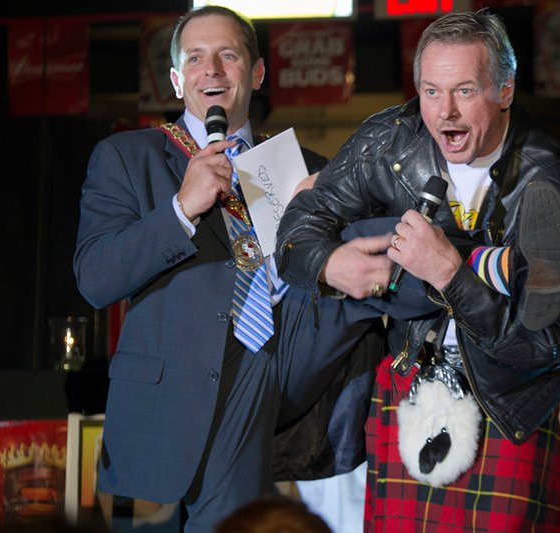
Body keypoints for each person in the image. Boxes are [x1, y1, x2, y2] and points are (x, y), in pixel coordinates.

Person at [275, 10, 560, 532]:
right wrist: (331, 264)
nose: (444, 112)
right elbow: (298, 227)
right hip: (408, 382)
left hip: (505, 403)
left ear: (505, 90)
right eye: (431, 91)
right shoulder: (389, 142)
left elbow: (546, 346)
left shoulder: (552, 185)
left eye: (465, 91)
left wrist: (450, 273)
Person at [74, 6, 383, 532]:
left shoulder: (307, 172)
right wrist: (181, 208)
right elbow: (96, 279)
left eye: (228, 55)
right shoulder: (128, 157)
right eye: (195, 58)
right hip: (162, 407)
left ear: (256, 73)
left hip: (267, 387)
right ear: (177, 81)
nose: (211, 70)